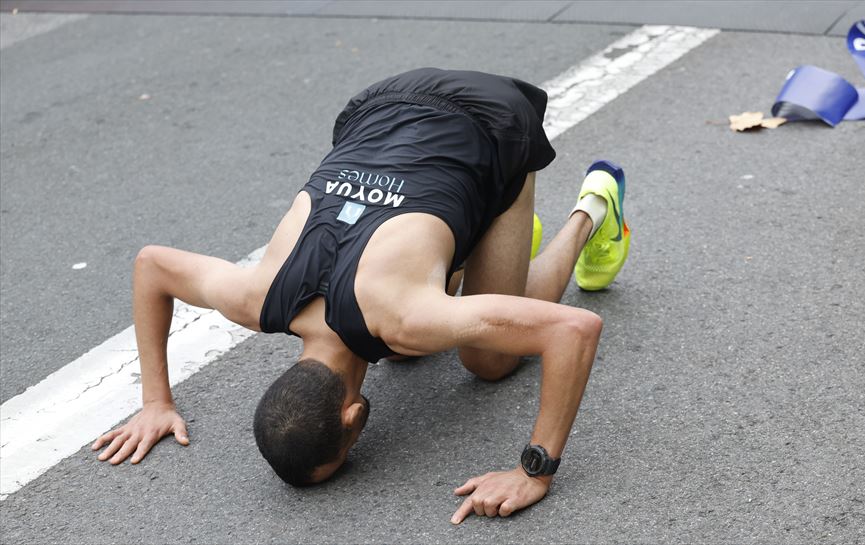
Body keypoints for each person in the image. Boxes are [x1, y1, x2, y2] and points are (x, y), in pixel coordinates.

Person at [89, 68, 631, 524]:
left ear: (353, 419)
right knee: (401, 348)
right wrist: (155, 401)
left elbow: (574, 329)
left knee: (486, 361)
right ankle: (490, 254)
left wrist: (534, 472)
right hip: (381, 102)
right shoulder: (256, 298)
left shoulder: (407, 319)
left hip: (492, 121)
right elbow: (152, 264)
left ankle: (594, 208)